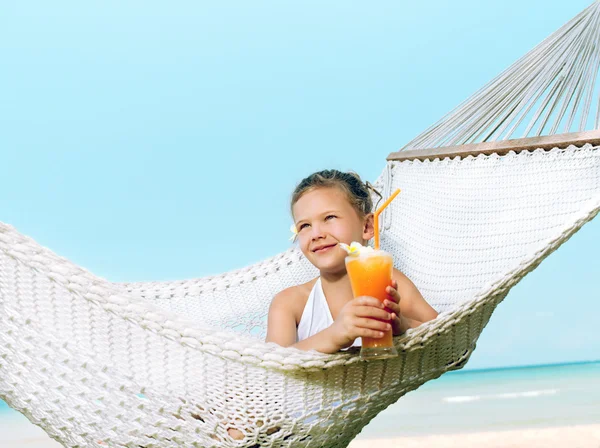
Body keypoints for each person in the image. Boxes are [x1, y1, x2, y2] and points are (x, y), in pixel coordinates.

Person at [266, 169, 438, 353]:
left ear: (367, 226)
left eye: (329, 217)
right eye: (305, 226)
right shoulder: (289, 303)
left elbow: (448, 342)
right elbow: (272, 371)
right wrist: (334, 335)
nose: (316, 234)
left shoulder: (391, 283)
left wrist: (404, 325)